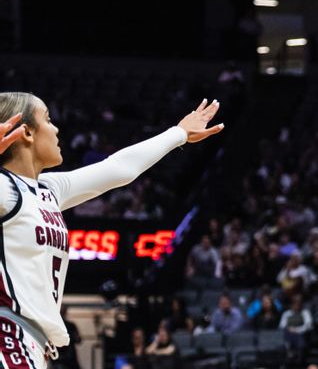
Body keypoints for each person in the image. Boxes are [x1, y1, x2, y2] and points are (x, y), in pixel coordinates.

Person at [0, 94, 222, 367]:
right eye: (47, 119)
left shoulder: (48, 189)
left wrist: (179, 134)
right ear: (27, 132)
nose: (56, 128)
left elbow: (119, 168)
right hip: (7, 336)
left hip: (31, 344)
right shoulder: (4, 188)